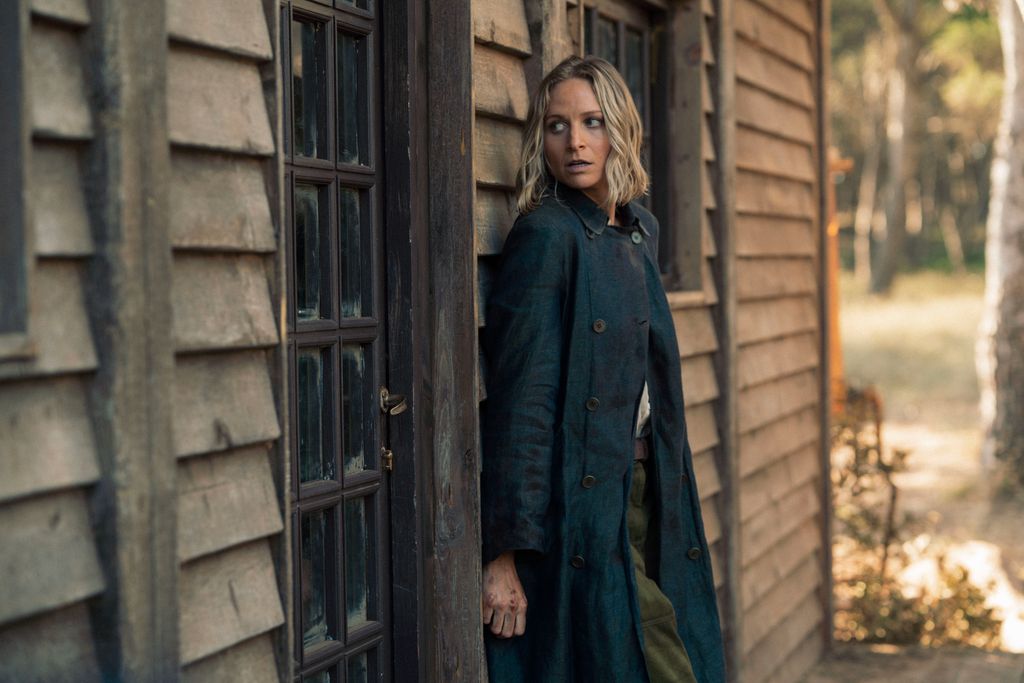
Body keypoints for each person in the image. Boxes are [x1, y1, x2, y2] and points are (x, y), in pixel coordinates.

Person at [479, 55, 726, 683]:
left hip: (648, 487)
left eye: (592, 122)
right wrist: (503, 553)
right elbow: (522, 402)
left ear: (619, 129)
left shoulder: (638, 231)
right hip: (584, 505)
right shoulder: (547, 237)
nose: (577, 141)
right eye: (558, 126)